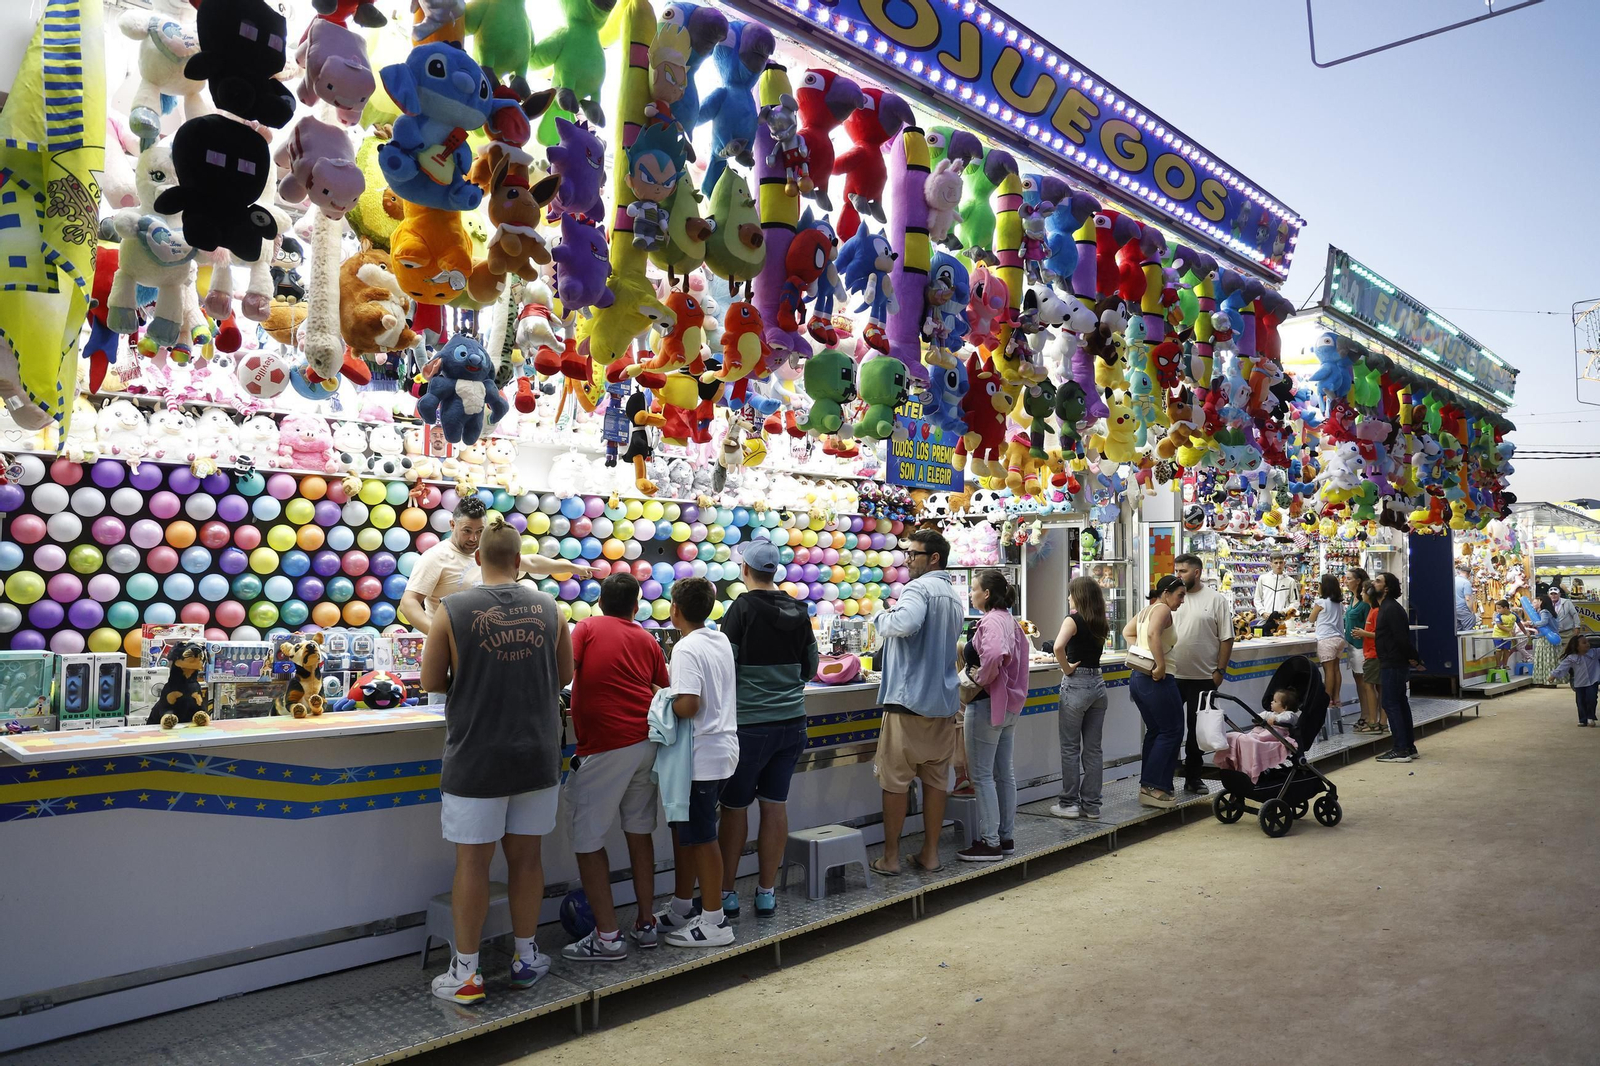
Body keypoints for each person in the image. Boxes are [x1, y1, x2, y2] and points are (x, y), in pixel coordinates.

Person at [420, 512, 571, 1003]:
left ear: (478, 557)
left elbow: (429, 681)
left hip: (477, 755)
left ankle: (466, 974)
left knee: (473, 863)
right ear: (519, 562)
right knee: (527, 861)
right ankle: (526, 959)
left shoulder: (452, 609)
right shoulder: (552, 608)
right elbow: (564, 675)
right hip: (537, 754)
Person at [560, 573, 670, 962]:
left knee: (587, 839)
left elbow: (562, 670)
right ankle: (645, 924)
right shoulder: (646, 638)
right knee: (639, 832)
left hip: (607, 746)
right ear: (636, 607)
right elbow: (662, 688)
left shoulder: (587, 627)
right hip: (645, 743)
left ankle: (607, 938)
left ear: (600, 602)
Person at [716, 542, 819, 919]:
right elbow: (811, 666)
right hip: (792, 723)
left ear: (744, 569)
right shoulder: (800, 608)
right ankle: (765, 892)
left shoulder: (741, 608)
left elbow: (727, 665)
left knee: (734, 807)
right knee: (775, 806)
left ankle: (726, 893)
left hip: (749, 727)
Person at [869, 528, 964, 876]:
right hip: (942, 703)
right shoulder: (953, 595)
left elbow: (905, 623)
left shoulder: (918, 589)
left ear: (934, 558)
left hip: (908, 703)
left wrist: (881, 616)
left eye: (913, 554)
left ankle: (891, 858)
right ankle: (930, 854)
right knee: (936, 782)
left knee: (894, 782)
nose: (907, 560)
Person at [655, 577, 740, 948]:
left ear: (675, 610)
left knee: (704, 839)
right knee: (690, 835)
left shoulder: (686, 649)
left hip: (700, 757)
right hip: (722, 749)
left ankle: (713, 921)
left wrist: (659, 699)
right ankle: (683, 907)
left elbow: (689, 705)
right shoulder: (718, 640)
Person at [402, 495, 599, 634]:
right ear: (453, 525)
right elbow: (408, 603)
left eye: (480, 531)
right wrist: (440, 635)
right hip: (446, 652)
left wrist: (572, 568)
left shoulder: (486, 550)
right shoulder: (435, 557)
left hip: (482, 642)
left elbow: (530, 561)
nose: (474, 538)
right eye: (467, 530)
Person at [956, 570, 1030, 862]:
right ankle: (1005, 836)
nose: (971, 594)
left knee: (982, 775)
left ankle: (990, 841)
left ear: (986, 594)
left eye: (974, 589)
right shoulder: (1010, 621)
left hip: (987, 704)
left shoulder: (991, 621)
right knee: (1003, 774)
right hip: (1009, 705)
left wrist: (980, 679)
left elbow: (996, 653)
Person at [1168, 553, 1233, 794]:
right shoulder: (1171, 598)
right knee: (1170, 729)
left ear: (1197, 572)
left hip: (1204, 678)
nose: (1178, 575)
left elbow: (1227, 638)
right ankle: (1165, 780)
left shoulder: (1216, 600)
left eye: (1182, 571)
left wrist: (1220, 672)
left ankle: (1193, 778)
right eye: (1176, 570)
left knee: (1197, 731)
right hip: (1173, 676)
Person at [1123, 575, 1187, 808]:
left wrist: (1141, 654)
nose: (1182, 601)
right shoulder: (1161, 609)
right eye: (1180, 595)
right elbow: (1152, 634)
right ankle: (1154, 787)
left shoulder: (1145, 611)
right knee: (1172, 731)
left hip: (1139, 678)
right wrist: (1158, 664)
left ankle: (1150, 785)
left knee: (1157, 730)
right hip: (1156, 679)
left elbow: (1127, 632)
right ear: (1166, 593)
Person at [1050, 576, 1110, 820]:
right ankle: (1092, 806)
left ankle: (1069, 804)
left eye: (1070, 593)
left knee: (1070, 748)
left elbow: (1057, 647)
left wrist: (1066, 668)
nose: (1068, 597)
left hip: (1076, 686)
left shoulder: (1072, 620)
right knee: (1093, 750)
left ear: (1079, 596)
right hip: (1098, 684)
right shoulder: (1100, 622)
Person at [1374, 572, 1423, 764]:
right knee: (1399, 703)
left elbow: (1401, 638)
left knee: (1391, 703)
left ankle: (1401, 748)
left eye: (1378, 581)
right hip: (1393, 661)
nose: (1373, 583)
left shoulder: (1391, 609)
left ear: (1386, 588)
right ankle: (1408, 746)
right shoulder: (1387, 607)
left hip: (1393, 663)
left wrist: (1414, 658)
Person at [1350, 582, 1388, 734]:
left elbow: (1381, 634)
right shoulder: (1373, 610)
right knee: (1377, 687)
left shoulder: (1376, 611)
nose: (1362, 594)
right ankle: (1381, 722)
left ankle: (1374, 722)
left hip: (1375, 654)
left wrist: (1363, 634)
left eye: (1364, 592)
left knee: (1369, 686)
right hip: (1371, 654)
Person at [1342, 568, 1377, 731]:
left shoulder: (1365, 603)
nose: (1346, 581)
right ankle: (1364, 714)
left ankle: (1370, 717)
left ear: (1358, 581)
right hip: (1352, 646)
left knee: (1366, 684)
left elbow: (1370, 625)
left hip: (1362, 647)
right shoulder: (1353, 599)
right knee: (1359, 683)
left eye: (1349, 578)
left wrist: (1363, 635)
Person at [1308, 575, 1345, 720]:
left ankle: (1327, 699)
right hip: (1339, 639)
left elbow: (1311, 619)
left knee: (1328, 671)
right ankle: (1336, 698)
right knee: (1336, 669)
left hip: (1326, 639)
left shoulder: (1321, 602)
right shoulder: (1339, 603)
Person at [1550, 633, 1600, 726]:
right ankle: (1582, 719)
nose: (1587, 644)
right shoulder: (1571, 658)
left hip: (1593, 681)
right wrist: (1554, 675)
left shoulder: (1595, 653)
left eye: (1587, 642)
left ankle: (1590, 717)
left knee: (1592, 699)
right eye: (1584, 643)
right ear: (1577, 646)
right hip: (1579, 683)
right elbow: (1562, 667)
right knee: (1580, 702)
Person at [1525, 591, 1562, 686]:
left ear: (1541, 602)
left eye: (1536, 601)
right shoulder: (1550, 612)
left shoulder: (1544, 612)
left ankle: (1546, 680)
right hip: (1553, 637)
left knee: (1545, 660)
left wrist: (1531, 623)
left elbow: (1543, 622)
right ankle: (1551, 680)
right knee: (1551, 660)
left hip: (1546, 639)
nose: (1534, 603)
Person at [1253, 553, 1298, 618]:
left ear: (1284, 563)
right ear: (1271, 564)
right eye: (1276, 563)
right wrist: (1262, 612)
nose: (1278, 565)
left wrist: (1285, 611)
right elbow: (1257, 598)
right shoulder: (1263, 578)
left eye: (1281, 562)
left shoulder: (1290, 581)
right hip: (1266, 619)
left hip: (1283, 620)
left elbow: (1295, 601)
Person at [1491, 599, 1527, 674]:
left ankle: (1505, 665)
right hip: (1498, 635)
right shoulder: (1498, 616)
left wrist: (1525, 632)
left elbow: (1520, 624)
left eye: (1499, 608)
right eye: (1497, 608)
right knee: (1498, 650)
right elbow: (1499, 625)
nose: (1497, 610)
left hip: (1507, 636)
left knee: (1507, 650)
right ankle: (1498, 665)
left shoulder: (1514, 615)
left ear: (1506, 608)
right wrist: (1509, 630)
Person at [1453, 562, 1478, 632]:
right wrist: (1472, 611)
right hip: (1463, 609)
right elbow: (1468, 599)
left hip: (1454, 610)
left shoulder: (1453, 580)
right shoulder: (1466, 583)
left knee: (1457, 631)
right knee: (1468, 631)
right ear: (1469, 574)